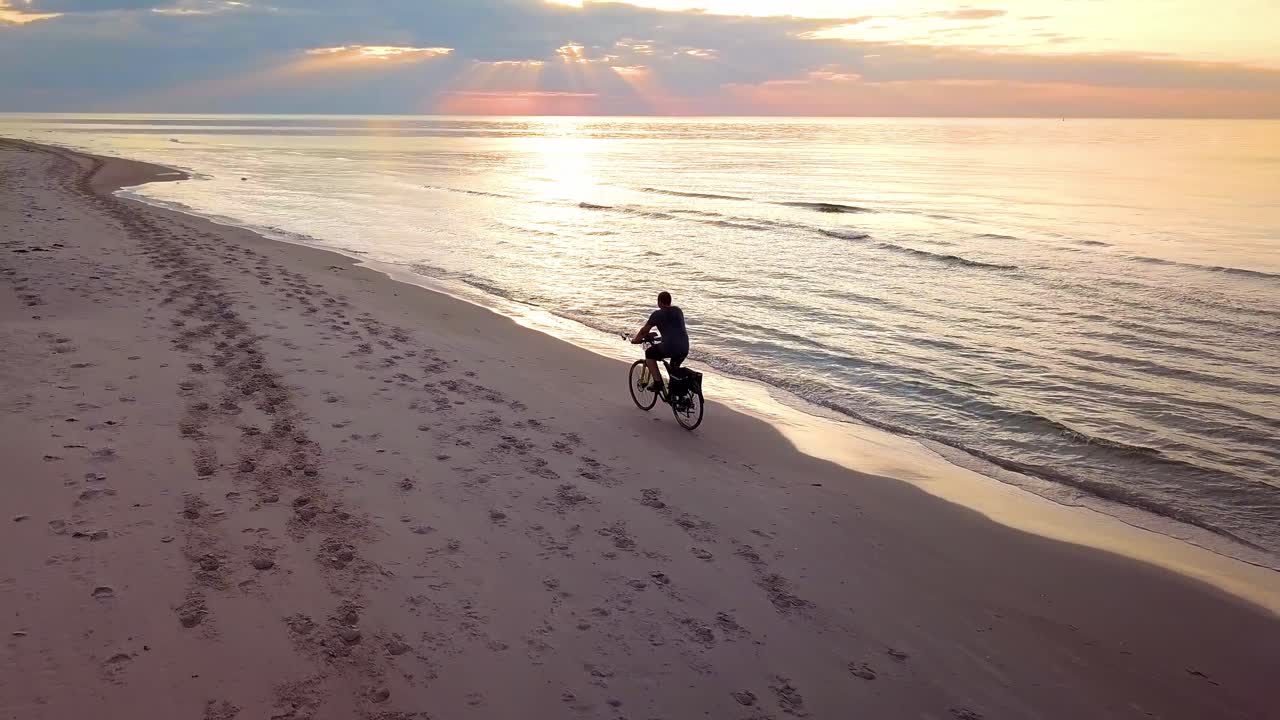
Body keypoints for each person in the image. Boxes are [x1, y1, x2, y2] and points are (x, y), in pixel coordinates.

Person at [631, 291, 689, 393]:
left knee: (649, 353)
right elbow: (673, 329)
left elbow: (644, 331)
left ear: (659, 302)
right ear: (670, 301)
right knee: (674, 369)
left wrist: (636, 340)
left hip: (670, 347)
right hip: (684, 347)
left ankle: (658, 383)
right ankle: (676, 396)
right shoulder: (678, 311)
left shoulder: (657, 314)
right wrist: (661, 338)